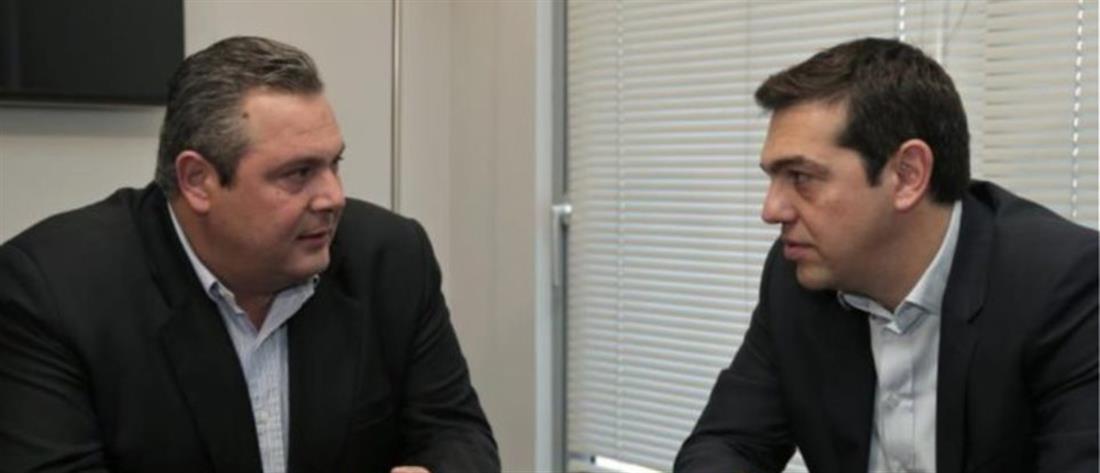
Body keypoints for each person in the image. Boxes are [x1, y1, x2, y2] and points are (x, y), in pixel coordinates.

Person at [0, 36, 499, 473]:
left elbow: (458, 434)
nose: (333, 197)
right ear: (198, 181)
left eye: (334, 164)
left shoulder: (388, 257)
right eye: (298, 173)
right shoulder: (53, 291)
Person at [675, 37, 1097, 473]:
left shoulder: (1065, 286)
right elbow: (727, 445)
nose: (771, 210)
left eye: (800, 177)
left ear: (907, 175)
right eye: (773, 179)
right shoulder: (795, 276)